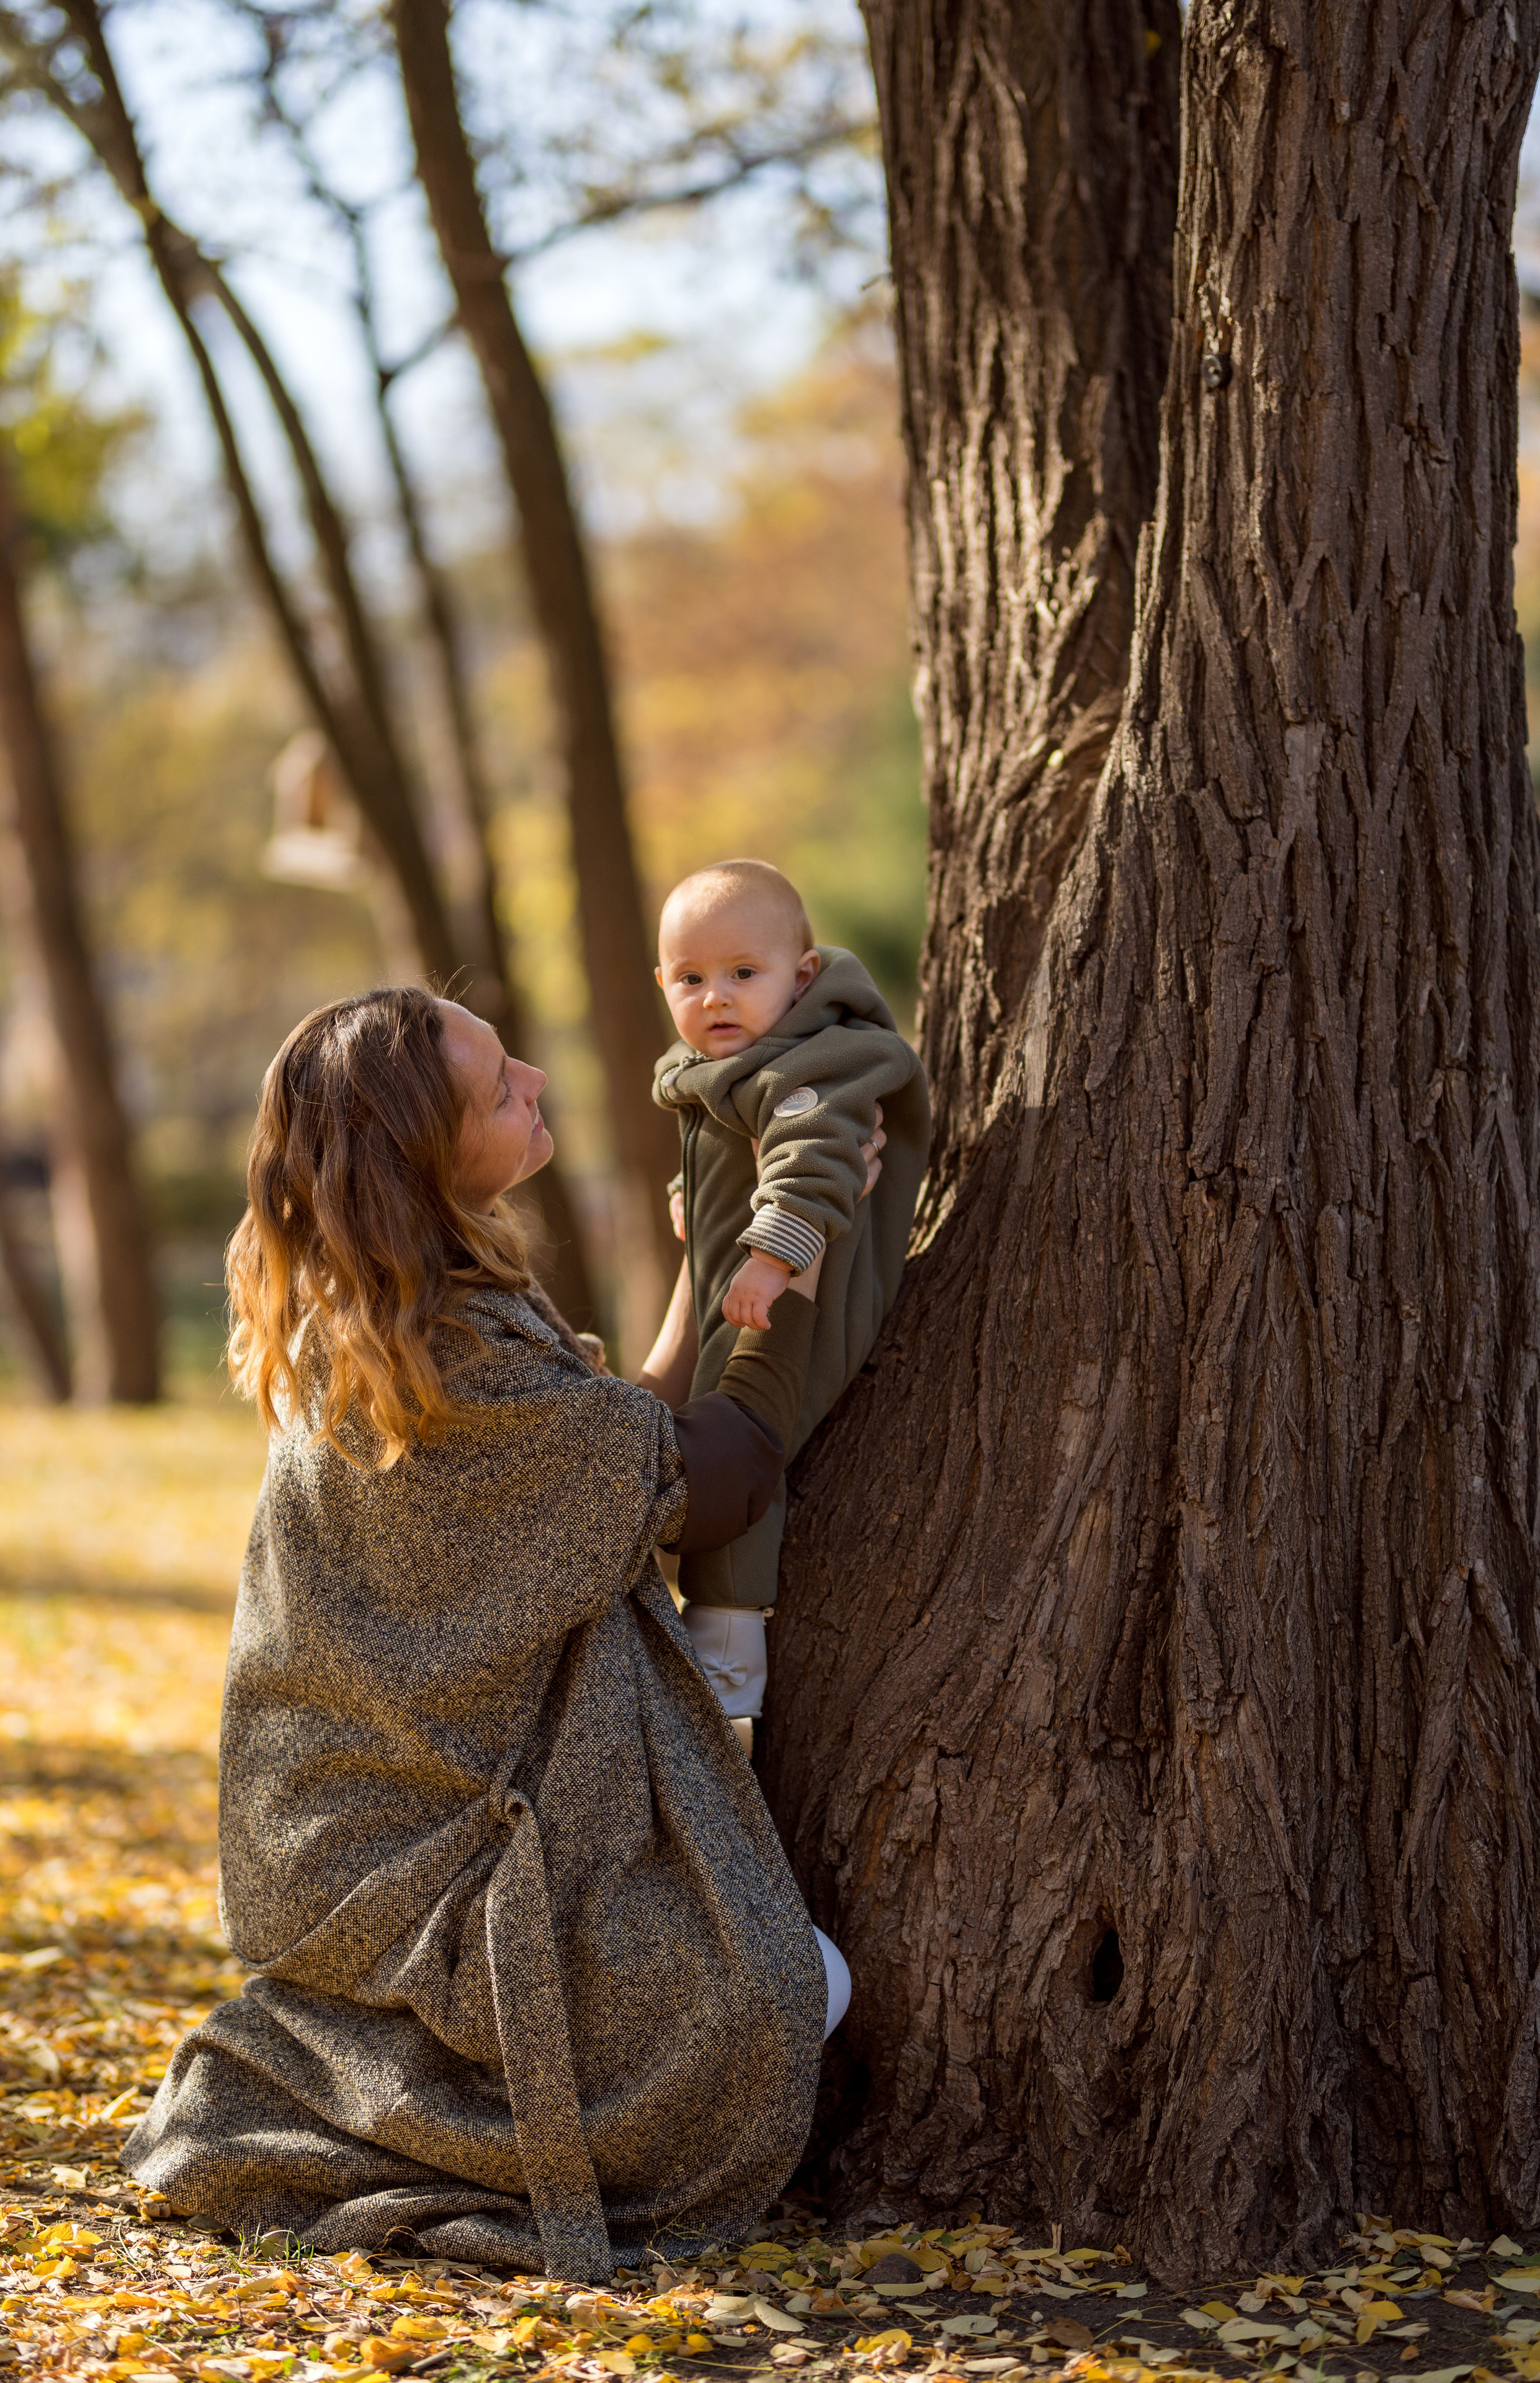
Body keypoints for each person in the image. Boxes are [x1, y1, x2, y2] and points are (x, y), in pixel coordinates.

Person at [122, 986, 850, 2279]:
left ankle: (413, 2093)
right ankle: (407, 2122)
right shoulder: (446, 1362)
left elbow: (613, 1439)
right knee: (782, 1994)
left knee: (773, 1981)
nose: (532, 1077)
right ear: (424, 1157)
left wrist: (701, 1276)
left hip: (403, 1805)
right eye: (495, 1085)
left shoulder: (413, 1319)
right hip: (415, 1838)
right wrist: (803, 1292)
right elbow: (706, 1477)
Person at [641, 859, 930, 1746]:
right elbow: (738, 1159)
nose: (715, 998)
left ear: (802, 977)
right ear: (662, 985)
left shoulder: (818, 1063)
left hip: (808, 1300)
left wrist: (772, 1256)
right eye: (690, 980)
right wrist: (702, 1208)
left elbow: (814, 1158)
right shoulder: (730, 1066)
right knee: (682, 1430)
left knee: (735, 1456)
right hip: (751, 1291)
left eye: (743, 974)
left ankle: (726, 1646)